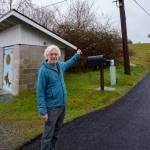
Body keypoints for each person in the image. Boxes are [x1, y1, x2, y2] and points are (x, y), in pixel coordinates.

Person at [36, 45, 82, 150]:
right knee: (48, 135)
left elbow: (68, 63)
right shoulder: (43, 70)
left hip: (62, 105)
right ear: (47, 55)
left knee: (56, 132)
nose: (53, 56)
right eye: (51, 54)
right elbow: (40, 92)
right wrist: (43, 110)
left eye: (56, 54)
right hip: (51, 108)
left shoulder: (59, 65)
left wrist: (77, 55)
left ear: (58, 55)